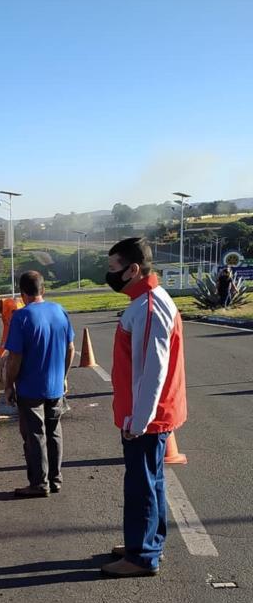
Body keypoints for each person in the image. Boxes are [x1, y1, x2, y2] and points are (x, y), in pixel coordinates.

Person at [102, 237, 186, 578]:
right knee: (151, 482)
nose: (109, 275)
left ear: (133, 270)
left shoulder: (149, 306)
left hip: (146, 417)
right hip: (147, 414)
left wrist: (138, 421)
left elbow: (153, 369)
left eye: (113, 268)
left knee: (141, 486)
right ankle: (147, 542)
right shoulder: (147, 301)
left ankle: (142, 556)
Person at [4, 272, 75, 498]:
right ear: (43, 290)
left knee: (35, 435)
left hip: (30, 388)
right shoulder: (60, 311)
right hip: (55, 386)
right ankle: (55, 479)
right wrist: (63, 376)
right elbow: (71, 348)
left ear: (22, 293)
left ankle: (38, 483)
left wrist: (8, 384)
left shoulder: (21, 317)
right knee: (54, 431)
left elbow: (15, 357)